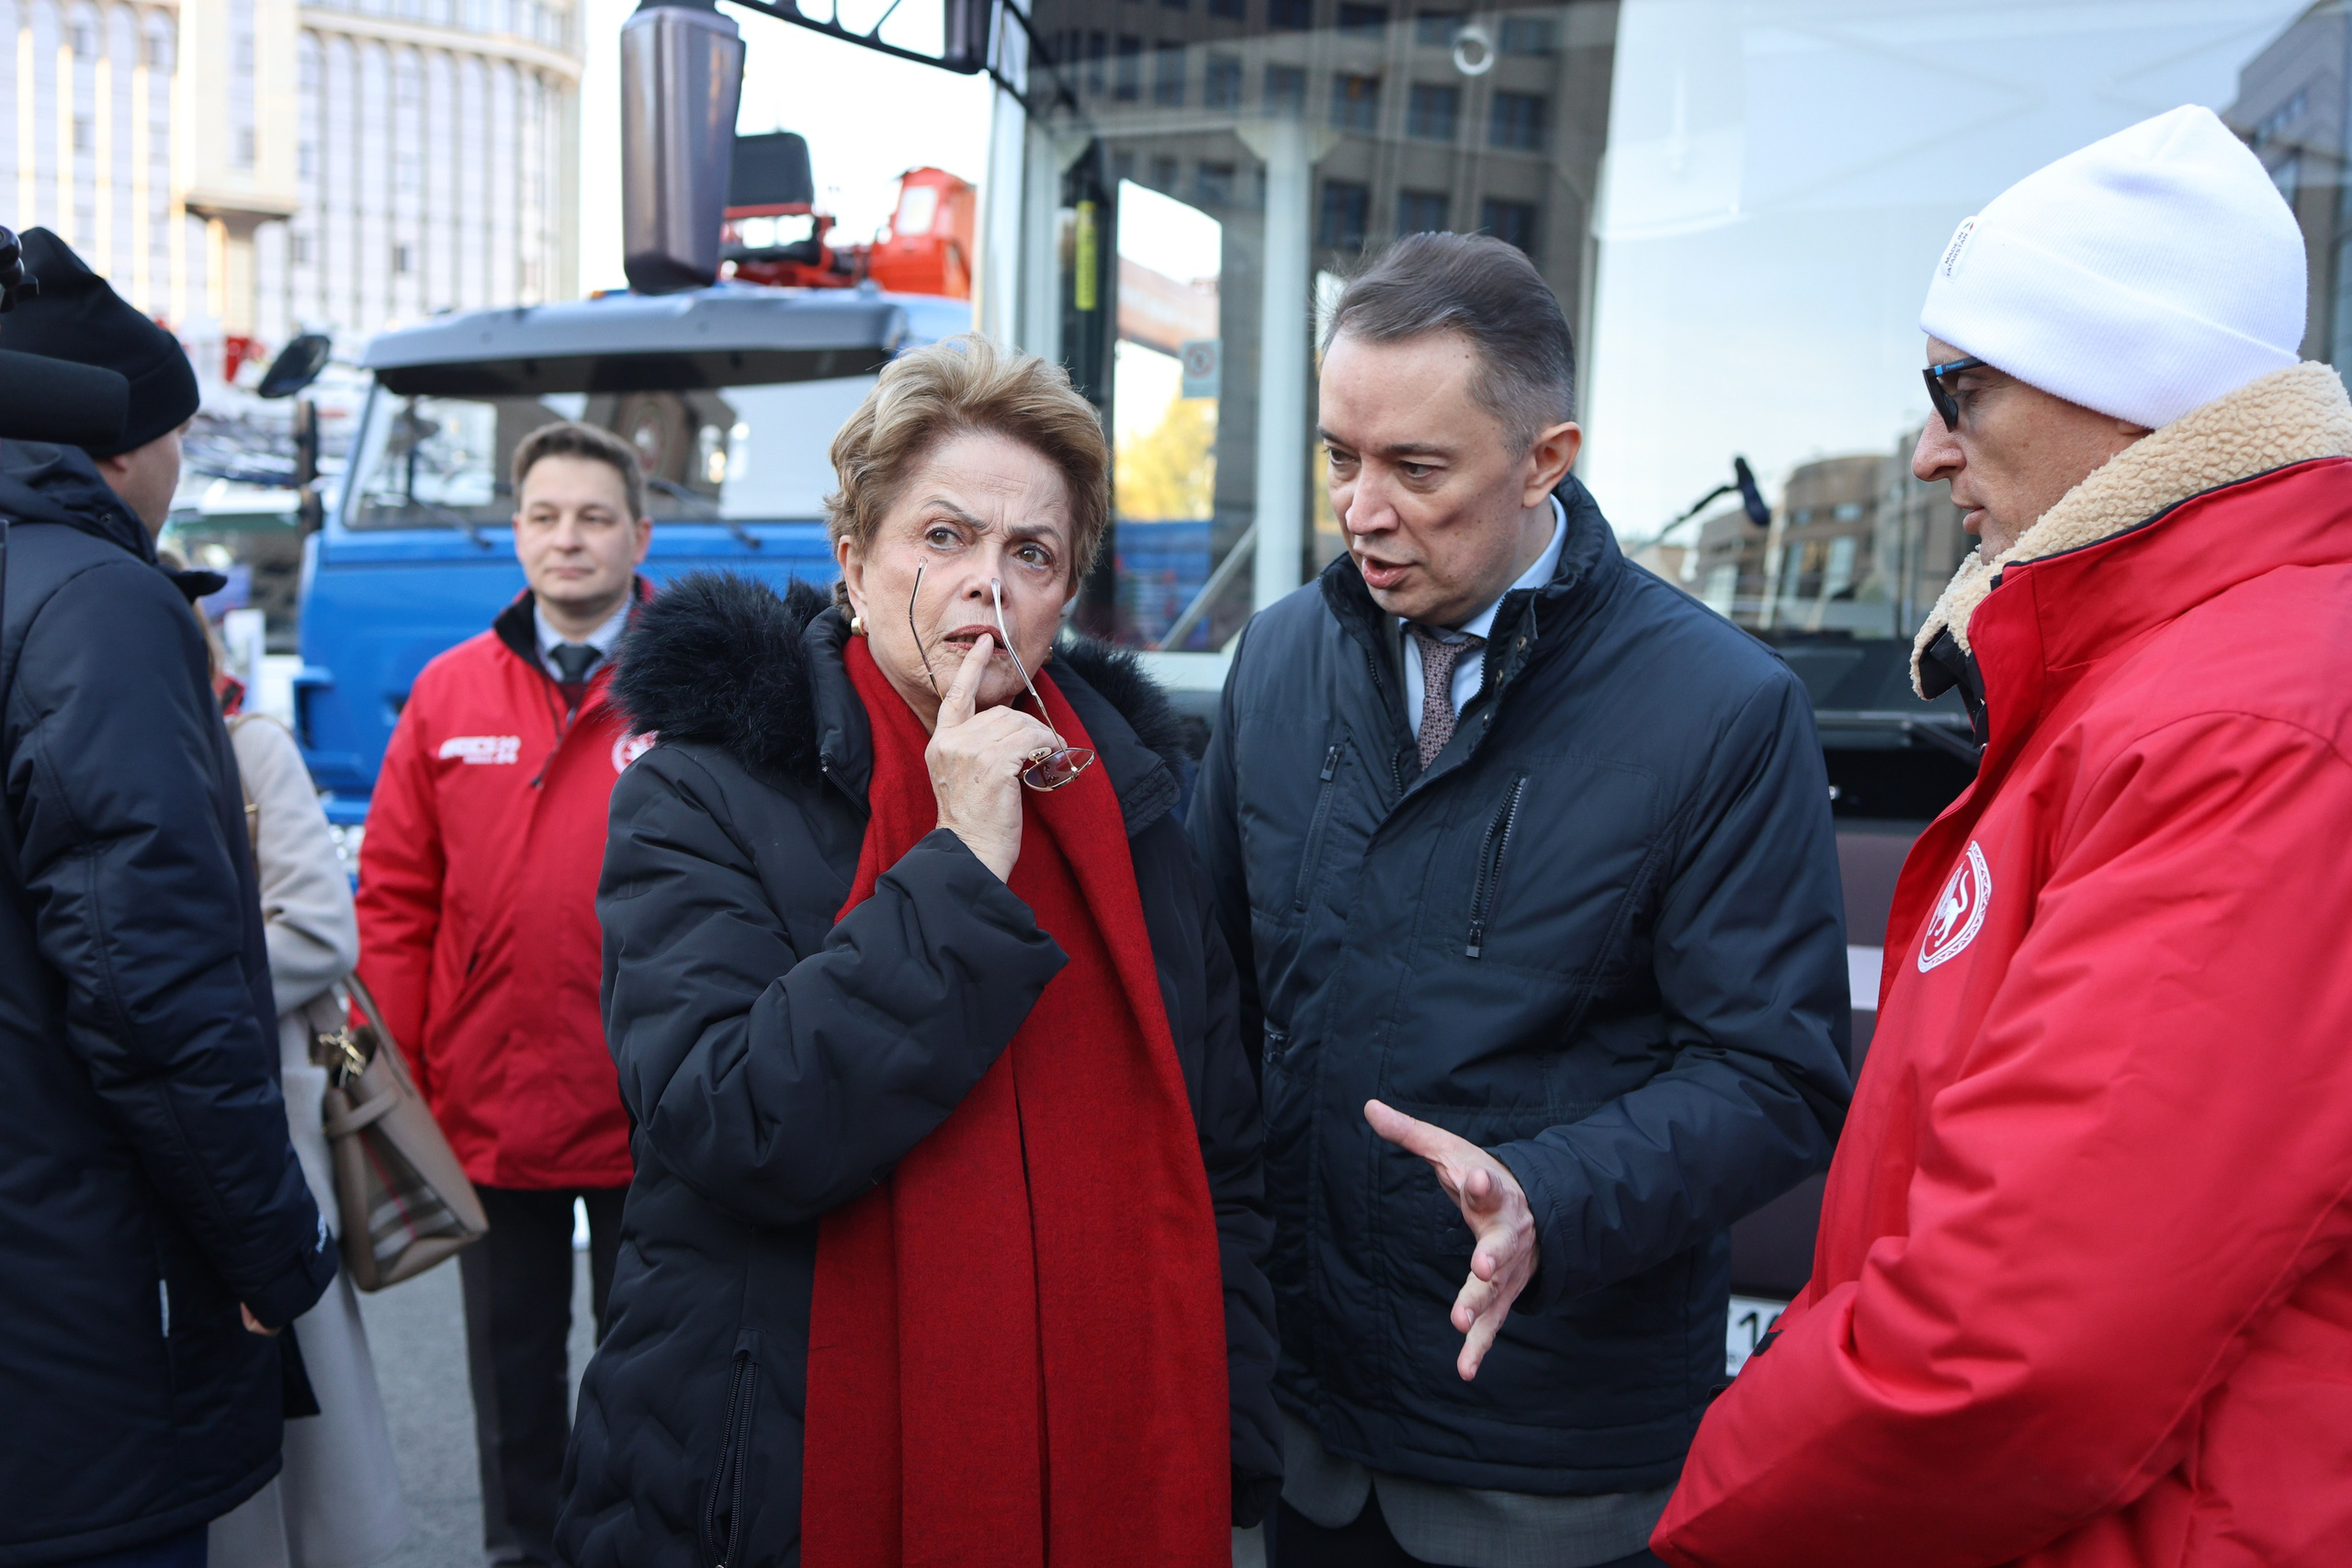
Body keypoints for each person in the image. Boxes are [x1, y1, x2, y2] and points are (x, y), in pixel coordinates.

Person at [1650, 105, 2352, 1568]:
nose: (1924, 451)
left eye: (1956, 389)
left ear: (2125, 383)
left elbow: (2025, 1336)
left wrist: (1717, 1514)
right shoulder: (2173, 688)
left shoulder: (2246, 730)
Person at [556, 333, 1280, 1567]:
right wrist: (956, 863)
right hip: (787, 1480)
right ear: (855, 558)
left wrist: (1229, 1434)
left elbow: (1220, 1159)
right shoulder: (704, 788)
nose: (985, 585)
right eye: (942, 537)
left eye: (1030, 552)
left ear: (1068, 592)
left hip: (1106, 1462)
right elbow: (729, 1122)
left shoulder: (1135, 807)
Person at [1189, 232, 1852, 1568]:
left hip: (1548, 1470)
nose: (1361, 510)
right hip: (1302, 1442)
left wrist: (1548, 1194)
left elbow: (1776, 1073)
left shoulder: (1723, 707)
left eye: (1415, 468)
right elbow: (1210, 995)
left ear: (1547, 458)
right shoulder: (1280, 654)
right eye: (1339, 457)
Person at [0, 229, 335, 1566]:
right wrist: (269, 1250)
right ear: (126, 449)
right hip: (77, 1302)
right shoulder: (96, 603)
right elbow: (150, 990)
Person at [355, 420, 652, 1568]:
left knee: (650, 1370)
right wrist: (400, 1080)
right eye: (543, 516)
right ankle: (524, 1551)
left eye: (591, 516)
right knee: (512, 1377)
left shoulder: (699, 685)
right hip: (487, 1100)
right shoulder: (446, 694)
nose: (566, 540)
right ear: (516, 531)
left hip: (652, 1101)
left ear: (638, 531)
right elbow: (392, 900)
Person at [202, 688, 412, 1567]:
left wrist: (167, 996)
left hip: (272, 1102)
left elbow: (324, 930)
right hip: (158, 1103)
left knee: (308, 1385)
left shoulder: (248, 746)